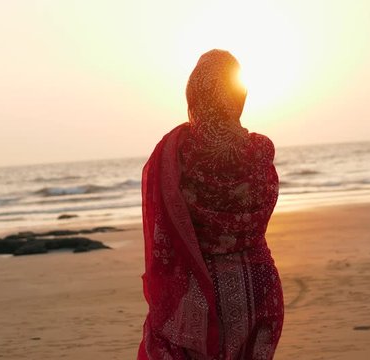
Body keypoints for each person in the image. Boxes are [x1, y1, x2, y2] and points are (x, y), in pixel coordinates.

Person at [137, 49, 284, 360]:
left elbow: (164, 228)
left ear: (194, 94)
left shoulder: (176, 151)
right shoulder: (260, 150)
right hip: (258, 286)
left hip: (200, 291)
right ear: (239, 95)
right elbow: (262, 213)